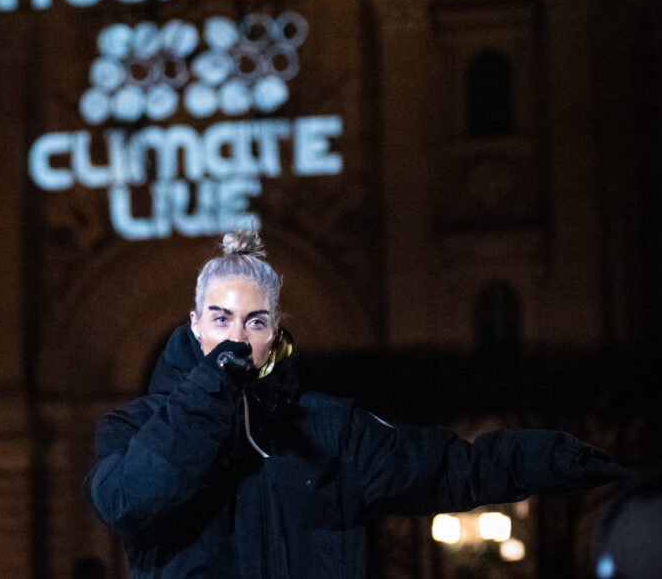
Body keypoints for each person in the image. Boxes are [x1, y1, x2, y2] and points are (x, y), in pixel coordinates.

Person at [86, 229, 631, 577]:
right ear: (195, 324)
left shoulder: (328, 428)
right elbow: (132, 504)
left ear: (275, 331)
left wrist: (553, 458)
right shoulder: (132, 428)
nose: (237, 336)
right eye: (221, 318)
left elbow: (446, 470)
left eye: (255, 321)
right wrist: (210, 392)